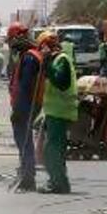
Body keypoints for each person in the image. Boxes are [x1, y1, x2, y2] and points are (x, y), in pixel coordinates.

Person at [37, 30, 78, 194]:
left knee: (53, 150)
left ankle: (58, 184)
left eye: (42, 48)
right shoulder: (55, 60)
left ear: (47, 45)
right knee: (52, 150)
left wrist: (47, 63)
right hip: (54, 112)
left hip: (61, 111)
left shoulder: (61, 60)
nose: (40, 52)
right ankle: (57, 182)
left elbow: (61, 82)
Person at [6, 22, 44, 192]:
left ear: (18, 38)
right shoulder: (27, 55)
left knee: (24, 140)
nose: (10, 45)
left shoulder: (29, 57)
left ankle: (28, 177)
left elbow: (26, 86)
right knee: (24, 139)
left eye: (11, 41)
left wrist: (19, 111)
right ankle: (27, 172)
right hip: (28, 104)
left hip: (25, 105)